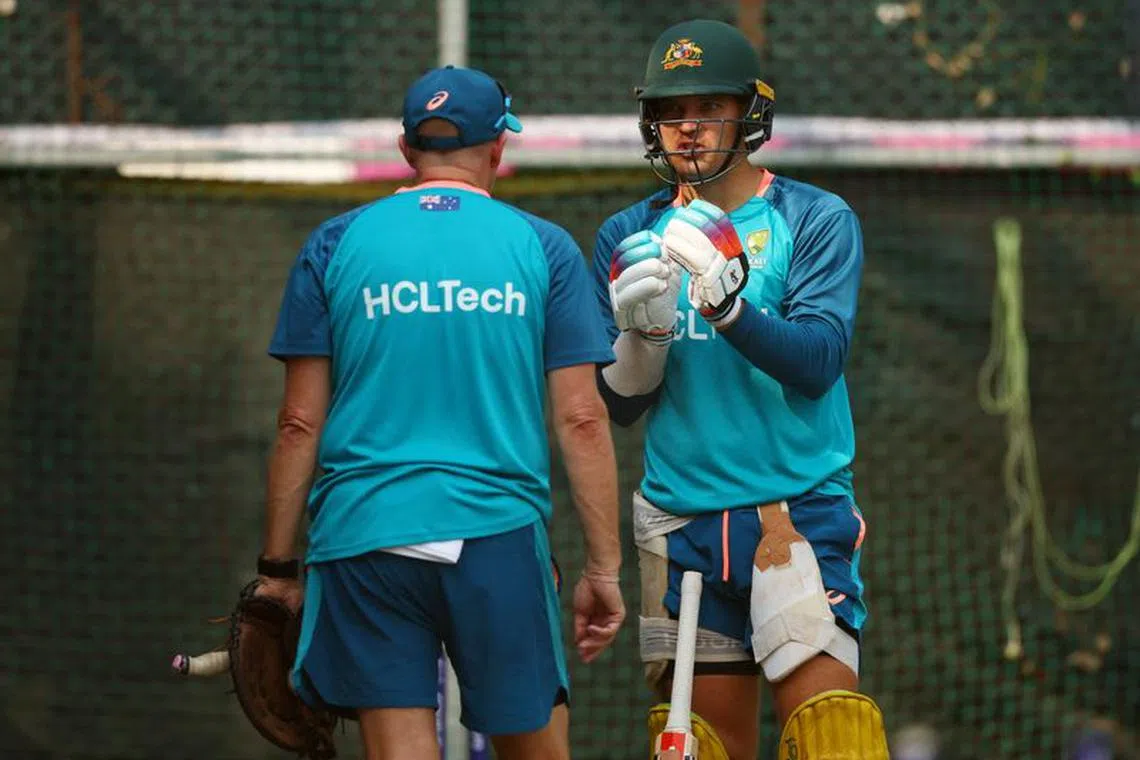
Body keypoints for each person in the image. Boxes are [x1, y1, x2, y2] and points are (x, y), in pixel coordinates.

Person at [255, 64, 626, 760]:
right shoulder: (543, 246)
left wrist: (278, 568)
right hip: (495, 535)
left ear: (405, 149)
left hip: (364, 537)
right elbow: (582, 419)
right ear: (497, 151)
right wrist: (602, 570)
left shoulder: (334, 244)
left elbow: (297, 424)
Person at [593, 19, 888, 760]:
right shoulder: (628, 231)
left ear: (749, 114)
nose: (686, 128)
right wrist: (646, 338)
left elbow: (818, 362)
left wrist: (730, 310)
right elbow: (622, 405)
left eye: (707, 108)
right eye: (669, 111)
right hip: (681, 519)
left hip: (793, 512)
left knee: (833, 738)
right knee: (698, 748)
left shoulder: (813, 218)